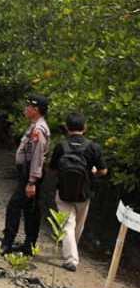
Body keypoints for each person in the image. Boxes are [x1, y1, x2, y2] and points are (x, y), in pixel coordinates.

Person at [48, 113, 107, 271]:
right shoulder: (93, 147)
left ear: (67, 128)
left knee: (67, 224)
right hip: (84, 193)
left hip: (63, 192)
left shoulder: (61, 146)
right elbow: (103, 170)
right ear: (85, 127)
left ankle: (70, 256)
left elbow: (52, 169)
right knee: (77, 226)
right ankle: (72, 257)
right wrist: (92, 173)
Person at [1, 95, 51, 255]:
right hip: (28, 173)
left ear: (35, 109)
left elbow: (37, 157)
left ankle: (8, 242)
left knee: (15, 206)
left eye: (28, 106)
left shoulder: (38, 130)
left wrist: (31, 182)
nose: (25, 109)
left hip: (30, 174)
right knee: (30, 209)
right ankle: (28, 245)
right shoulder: (34, 126)